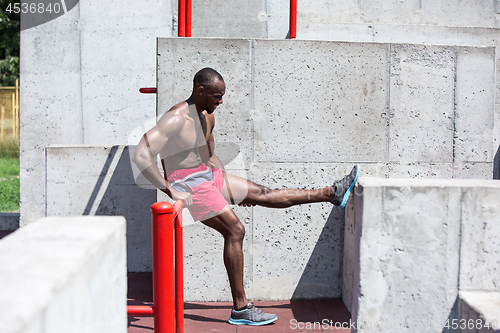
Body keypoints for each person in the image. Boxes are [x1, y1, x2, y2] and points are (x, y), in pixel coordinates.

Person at [132, 67, 359, 326]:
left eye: (222, 96)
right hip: (187, 183)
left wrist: (229, 187)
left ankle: (332, 193)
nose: (220, 101)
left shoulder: (208, 117)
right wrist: (169, 188)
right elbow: (141, 155)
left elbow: (207, 156)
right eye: (216, 96)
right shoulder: (175, 119)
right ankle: (240, 309)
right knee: (235, 230)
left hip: (207, 175)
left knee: (264, 193)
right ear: (200, 90)